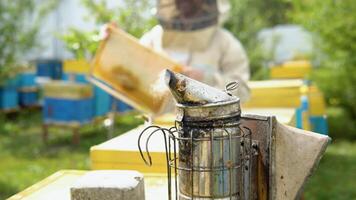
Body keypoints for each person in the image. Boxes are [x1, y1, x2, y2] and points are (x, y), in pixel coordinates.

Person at [140, 0, 250, 102]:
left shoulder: (225, 42)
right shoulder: (154, 37)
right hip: (159, 122)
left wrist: (206, 78)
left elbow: (243, 91)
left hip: (207, 121)